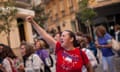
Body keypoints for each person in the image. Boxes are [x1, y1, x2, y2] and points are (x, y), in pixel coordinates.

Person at [26, 16, 93, 72]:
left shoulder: (81, 53)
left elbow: (89, 66)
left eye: (64, 36)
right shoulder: (59, 47)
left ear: (71, 39)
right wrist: (33, 22)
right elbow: (44, 34)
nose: (61, 37)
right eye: (61, 36)